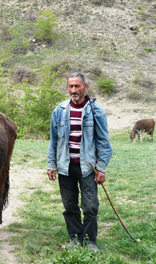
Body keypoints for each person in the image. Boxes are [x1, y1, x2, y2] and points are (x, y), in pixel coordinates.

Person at [47, 72, 113, 252]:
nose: (74, 90)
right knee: (69, 206)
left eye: (77, 86)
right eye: (71, 86)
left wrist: (101, 168)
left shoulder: (96, 111)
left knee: (90, 207)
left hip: (88, 168)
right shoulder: (59, 111)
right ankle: (75, 237)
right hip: (65, 167)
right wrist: (51, 164)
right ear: (67, 88)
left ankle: (90, 241)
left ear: (85, 87)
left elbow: (104, 142)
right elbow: (53, 141)